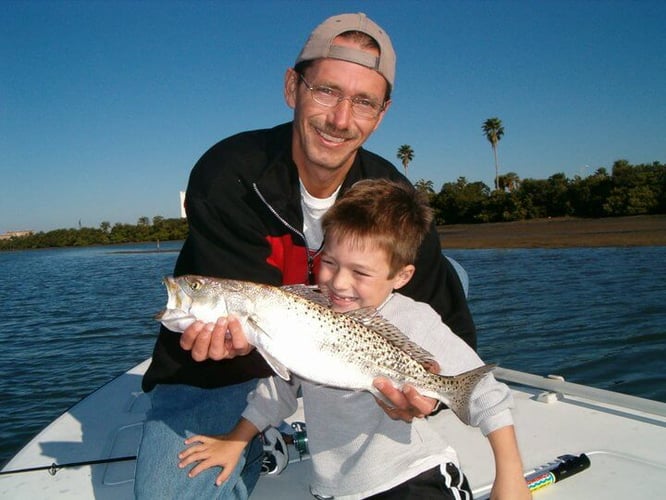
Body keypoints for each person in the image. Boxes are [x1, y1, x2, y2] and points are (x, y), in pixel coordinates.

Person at [135, 13, 476, 498]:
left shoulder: (391, 194)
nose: (341, 119)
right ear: (293, 88)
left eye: (363, 102)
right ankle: (263, 434)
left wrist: (430, 398)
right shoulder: (228, 173)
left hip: (343, 353)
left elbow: (451, 321)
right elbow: (224, 314)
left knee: (450, 274)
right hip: (232, 373)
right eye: (326, 91)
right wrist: (226, 350)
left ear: (382, 113)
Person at [178, 179, 531, 499]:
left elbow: (483, 392)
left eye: (360, 272)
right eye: (329, 263)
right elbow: (276, 393)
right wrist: (236, 441)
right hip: (334, 490)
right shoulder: (298, 314)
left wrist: (511, 476)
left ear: (402, 275)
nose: (339, 283)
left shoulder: (415, 319)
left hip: (412, 477)